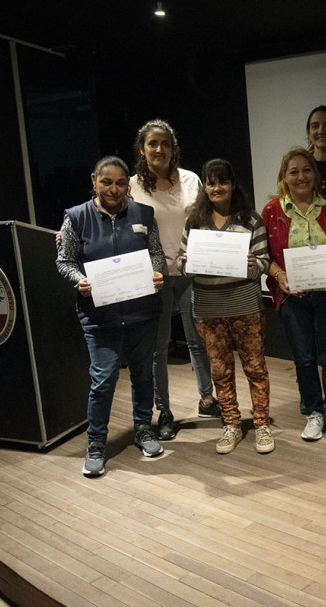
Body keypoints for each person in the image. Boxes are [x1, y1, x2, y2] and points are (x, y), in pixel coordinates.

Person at [56, 156, 166, 477]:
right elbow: (65, 260)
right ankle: (96, 443)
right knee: (103, 382)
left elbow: (156, 252)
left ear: (127, 182)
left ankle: (144, 429)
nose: (114, 189)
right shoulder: (76, 218)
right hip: (99, 318)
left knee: (143, 375)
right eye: (107, 182)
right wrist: (80, 280)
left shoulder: (144, 214)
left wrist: (157, 271)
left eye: (120, 183)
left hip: (142, 314)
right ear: (94, 180)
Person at [176, 159, 274, 454]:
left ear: (233, 184)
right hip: (208, 310)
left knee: (255, 369)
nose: (216, 188)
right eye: (210, 182)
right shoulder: (194, 222)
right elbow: (183, 265)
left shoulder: (252, 220)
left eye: (222, 182)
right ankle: (231, 424)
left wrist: (253, 264)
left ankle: (261, 424)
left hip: (245, 306)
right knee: (220, 371)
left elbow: (265, 262)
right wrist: (186, 263)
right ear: (204, 187)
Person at [129, 119, 215, 440]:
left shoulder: (192, 180)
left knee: (198, 339)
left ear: (173, 147)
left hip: (192, 271)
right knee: (159, 347)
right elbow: (111, 219)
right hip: (156, 277)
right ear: (143, 149)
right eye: (153, 144)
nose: (159, 149)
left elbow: (210, 219)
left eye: (165, 143)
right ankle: (164, 410)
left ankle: (207, 398)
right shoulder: (133, 186)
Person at [261, 148, 326, 443]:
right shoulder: (272, 211)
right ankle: (314, 412)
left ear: (314, 173)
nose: (301, 177)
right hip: (293, 297)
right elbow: (264, 256)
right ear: (284, 177)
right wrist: (279, 276)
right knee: (303, 359)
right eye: (294, 172)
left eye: (306, 170)